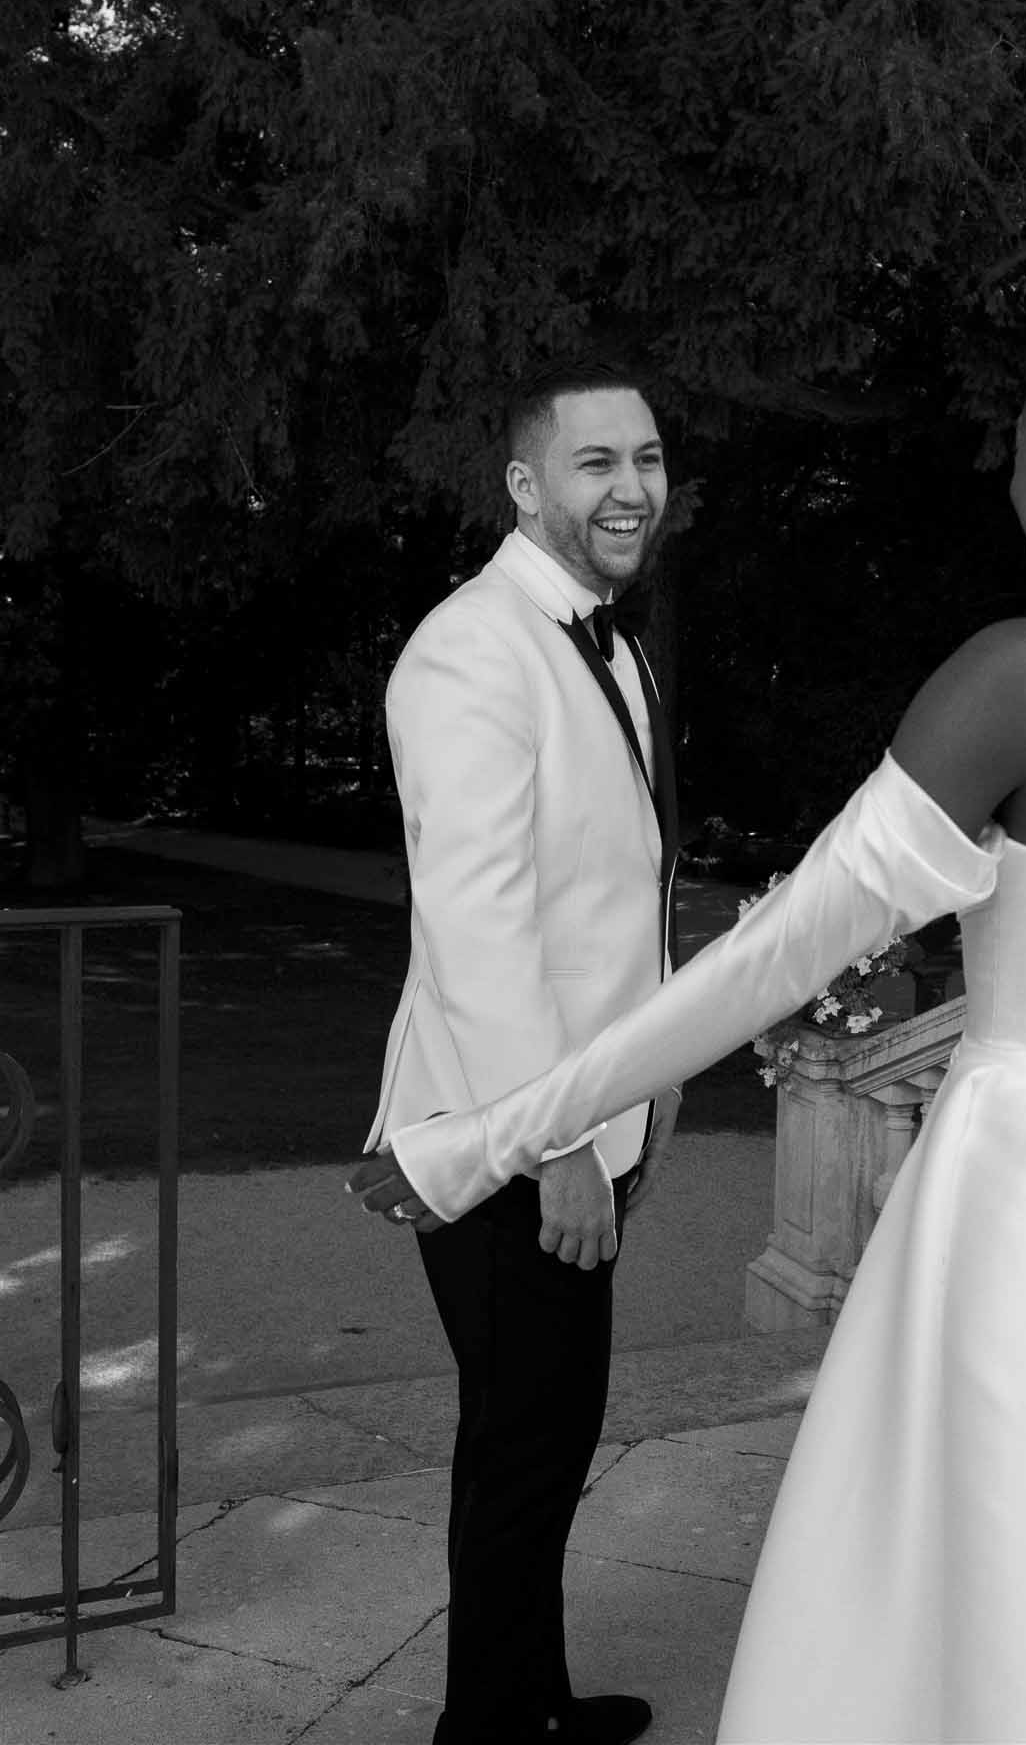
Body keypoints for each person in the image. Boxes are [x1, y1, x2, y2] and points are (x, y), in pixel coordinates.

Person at [353, 312, 1026, 1744]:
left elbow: (769, 961)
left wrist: (489, 1139)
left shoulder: (1023, 677)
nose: (1011, 496)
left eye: (1018, 459)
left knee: (1011, 1526)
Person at [350, 360, 682, 1745]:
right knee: (525, 1449)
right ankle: (484, 1732)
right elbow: (480, 934)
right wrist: (555, 1149)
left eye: (648, 460)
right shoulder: (471, 649)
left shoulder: (605, 638)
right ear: (525, 486)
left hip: (587, 1128)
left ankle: (524, 1702)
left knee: (535, 1443)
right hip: (508, 1142)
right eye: (595, 463)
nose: (630, 489)